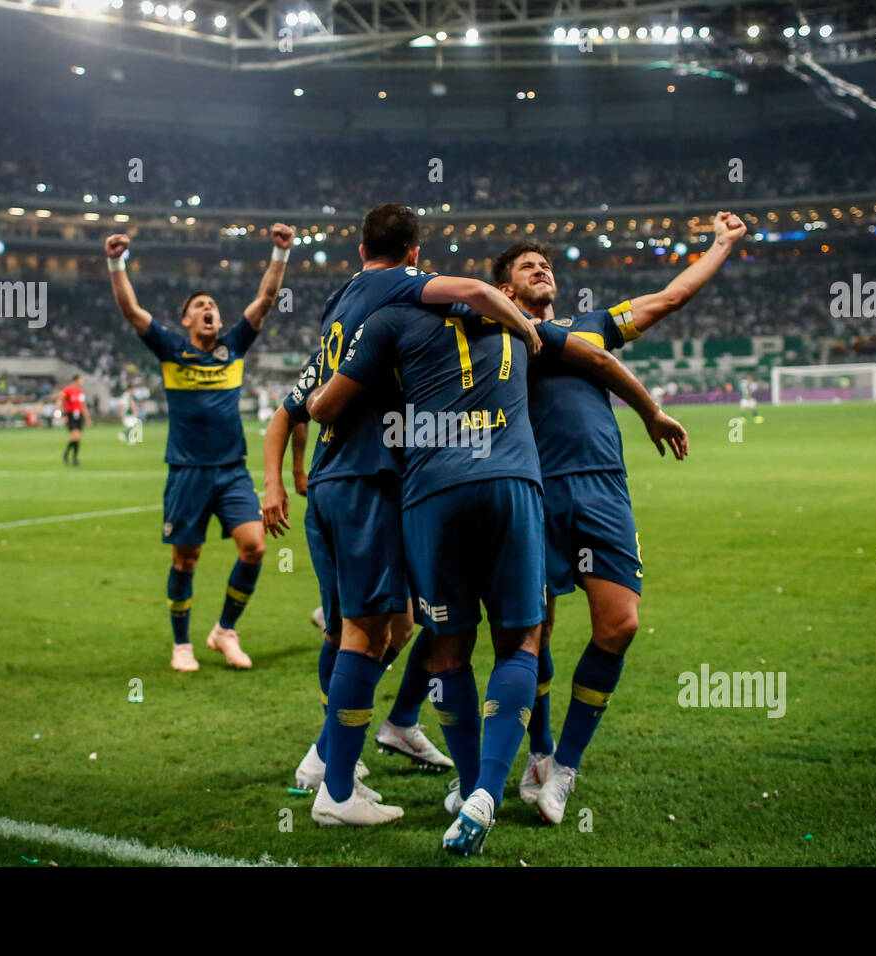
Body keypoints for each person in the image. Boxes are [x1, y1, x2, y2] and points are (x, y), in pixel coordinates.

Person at [308, 290, 681, 855]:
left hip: (429, 492)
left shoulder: (388, 321)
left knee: (441, 646)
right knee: (521, 641)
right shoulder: (516, 323)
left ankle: (435, 772)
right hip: (509, 483)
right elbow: (601, 360)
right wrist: (652, 411)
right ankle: (485, 788)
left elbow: (323, 406)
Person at [282, 202, 541, 827]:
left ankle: (340, 759)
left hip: (336, 477)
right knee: (367, 633)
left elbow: (304, 404)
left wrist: (289, 470)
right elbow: (477, 289)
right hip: (371, 476)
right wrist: (526, 328)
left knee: (381, 625)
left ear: (359, 247)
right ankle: (333, 784)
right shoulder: (397, 294)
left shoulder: (341, 301)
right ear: (415, 256)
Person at [489, 210, 744, 825]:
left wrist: (722, 244)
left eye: (547, 265)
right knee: (534, 633)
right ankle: (540, 752)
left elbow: (671, 297)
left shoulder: (594, 325)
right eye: (528, 266)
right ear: (505, 289)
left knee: (620, 624)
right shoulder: (494, 336)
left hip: (602, 490)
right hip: (534, 492)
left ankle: (565, 766)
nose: (542, 269)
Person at [105, 225, 293, 672]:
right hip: (187, 471)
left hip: (231, 470)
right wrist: (116, 262)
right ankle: (182, 644)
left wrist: (279, 253)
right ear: (187, 320)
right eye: (199, 307)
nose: (208, 310)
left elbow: (265, 301)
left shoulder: (233, 347)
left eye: (212, 306)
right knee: (186, 558)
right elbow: (131, 310)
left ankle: (224, 630)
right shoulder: (171, 349)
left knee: (255, 547)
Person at [264, 355, 454, 793]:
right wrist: (278, 480)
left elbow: (292, 413)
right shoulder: (370, 341)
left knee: (403, 627)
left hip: (369, 493)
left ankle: (346, 746)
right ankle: (331, 766)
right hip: (360, 494)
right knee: (354, 634)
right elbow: (288, 413)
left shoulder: (365, 339)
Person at [60, 374, 91, 465]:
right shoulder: (67, 390)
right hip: (70, 416)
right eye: (81, 380)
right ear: (75, 381)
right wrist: (64, 415)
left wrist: (87, 417)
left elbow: (83, 405)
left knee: (78, 439)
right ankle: (68, 454)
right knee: (75, 437)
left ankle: (73, 458)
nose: (82, 382)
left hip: (79, 415)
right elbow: (61, 401)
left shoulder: (81, 392)